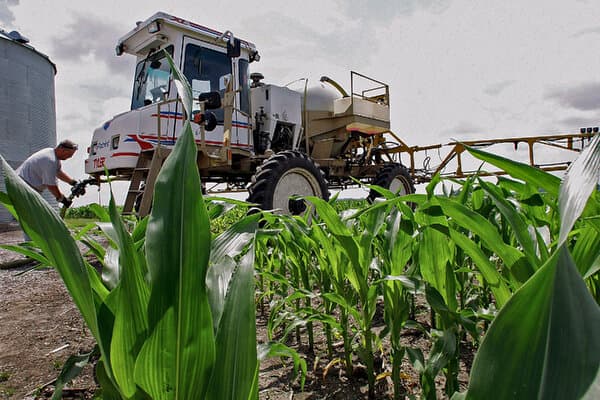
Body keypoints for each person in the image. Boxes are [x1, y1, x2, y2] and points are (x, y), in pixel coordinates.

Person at [16, 139, 79, 208]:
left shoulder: (51, 153)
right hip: (24, 187)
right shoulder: (50, 160)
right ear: (62, 150)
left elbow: (58, 172)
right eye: (69, 154)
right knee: (26, 213)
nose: (70, 157)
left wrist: (72, 182)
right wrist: (62, 199)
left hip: (24, 186)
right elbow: (51, 185)